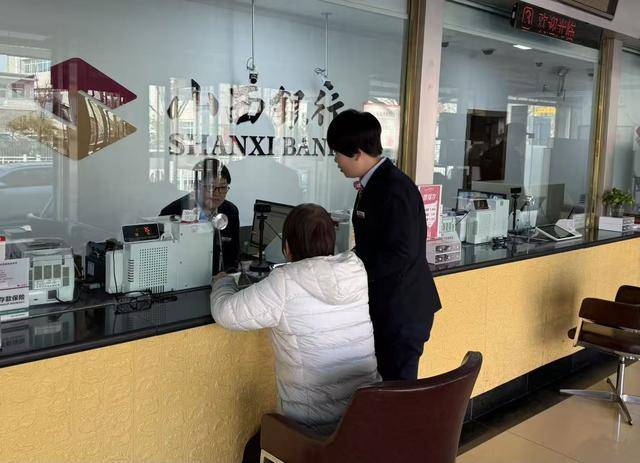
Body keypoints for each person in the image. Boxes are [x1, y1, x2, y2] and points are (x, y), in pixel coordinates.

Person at [210, 204, 380, 462]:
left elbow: (226, 312)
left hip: (313, 429)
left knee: (253, 450)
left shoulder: (286, 282)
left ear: (287, 246)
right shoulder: (355, 271)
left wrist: (222, 281)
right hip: (363, 420)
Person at [327, 108, 442, 381]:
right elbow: (374, 244)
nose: (335, 160)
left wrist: (353, 272)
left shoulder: (393, 188)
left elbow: (401, 253)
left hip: (402, 310)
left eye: (337, 153)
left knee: (397, 392)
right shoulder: (374, 183)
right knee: (385, 388)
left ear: (357, 153)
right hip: (388, 305)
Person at [160, 158, 240, 272]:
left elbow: (233, 255)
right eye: (211, 187)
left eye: (222, 188)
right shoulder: (172, 213)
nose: (217, 193)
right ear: (197, 186)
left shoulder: (230, 211)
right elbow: (165, 261)